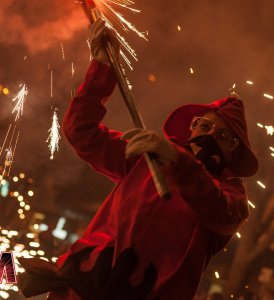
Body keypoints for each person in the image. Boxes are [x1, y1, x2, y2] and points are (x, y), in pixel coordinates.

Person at [18, 20, 258, 300]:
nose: (209, 136)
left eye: (224, 136)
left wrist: (178, 162)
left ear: (234, 152)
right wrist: (103, 69)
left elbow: (219, 210)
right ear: (191, 128)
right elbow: (80, 132)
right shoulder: (147, 158)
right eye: (204, 126)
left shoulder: (231, 198)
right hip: (83, 289)